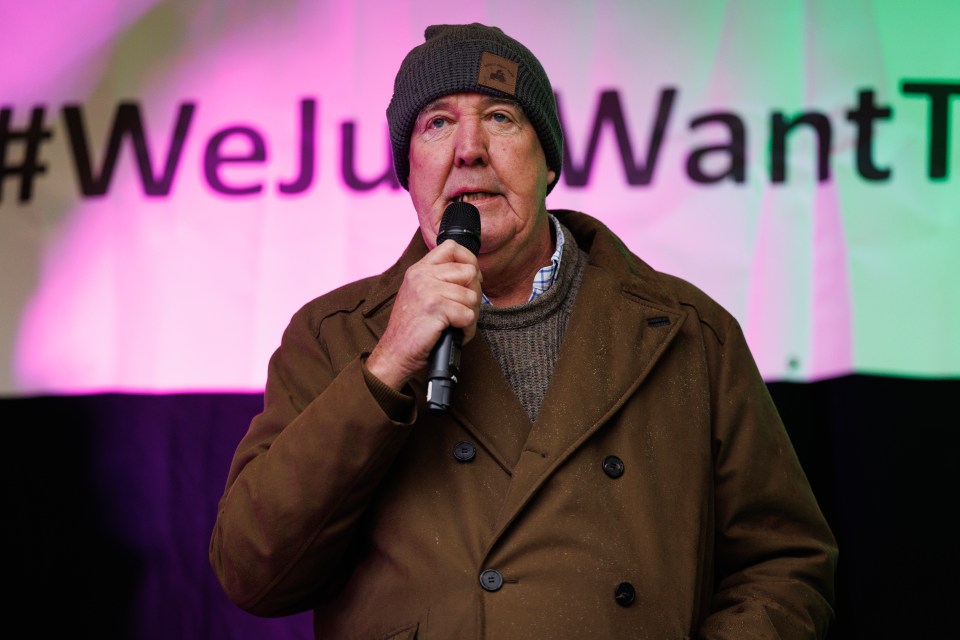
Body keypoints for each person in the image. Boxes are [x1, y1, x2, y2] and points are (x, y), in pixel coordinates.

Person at [210, 23, 838, 639]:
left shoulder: (689, 333)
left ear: (549, 164)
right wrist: (389, 363)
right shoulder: (332, 337)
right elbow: (253, 572)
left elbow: (784, 564)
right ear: (410, 172)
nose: (468, 149)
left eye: (501, 117)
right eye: (436, 123)